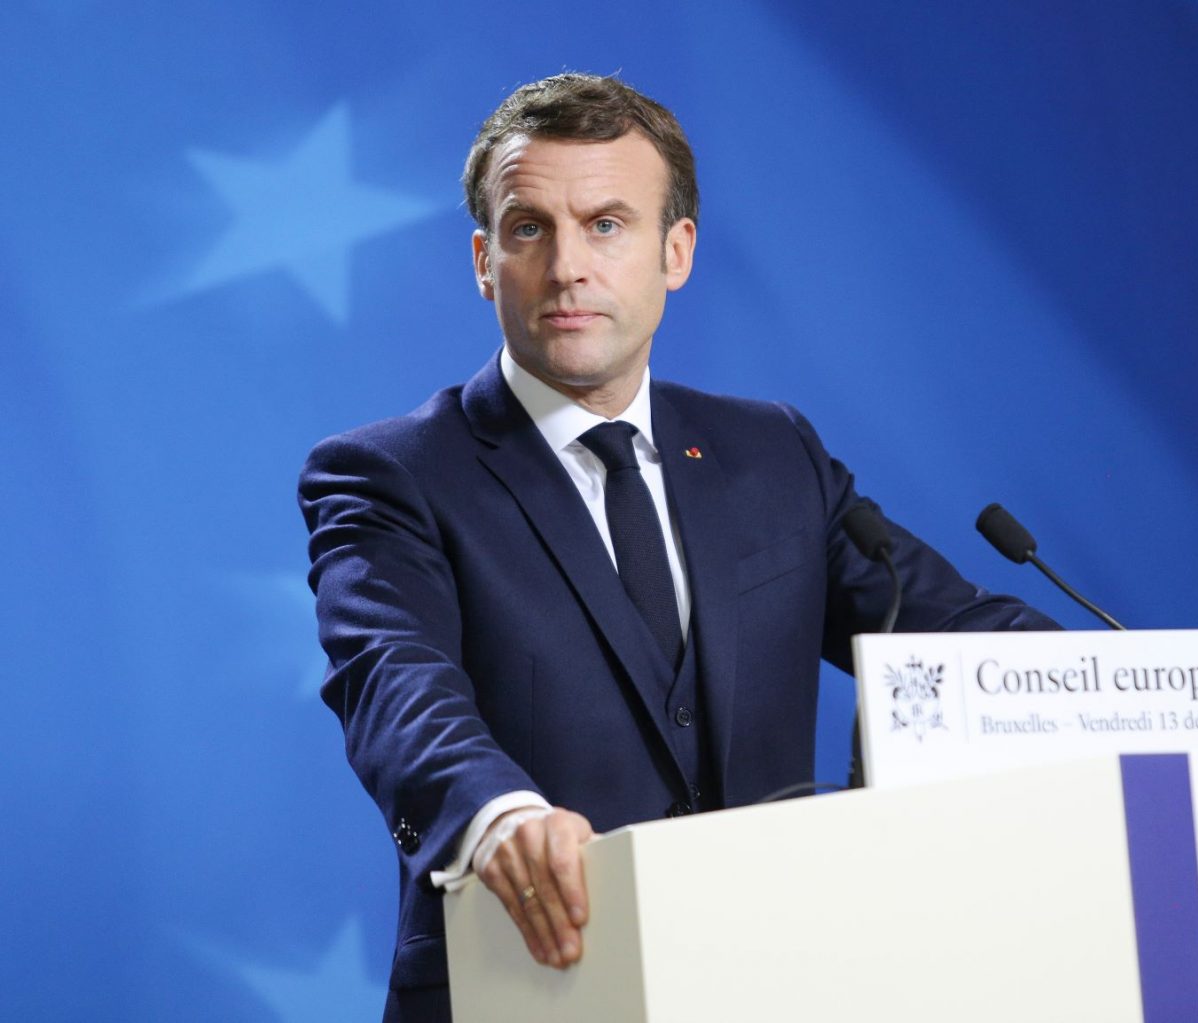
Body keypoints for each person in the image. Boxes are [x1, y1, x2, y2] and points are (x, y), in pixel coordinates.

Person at [299, 72, 1059, 1022]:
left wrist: (1140, 694)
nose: (568, 266)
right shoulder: (390, 474)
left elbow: (951, 633)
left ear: (677, 251)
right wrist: (497, 817)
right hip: (532, 984)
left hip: (782, 982)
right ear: (485, 261)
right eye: (530, 228)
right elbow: (393, 685)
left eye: (606, 225)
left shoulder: (772, 452)